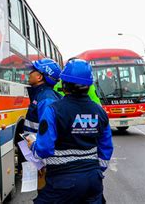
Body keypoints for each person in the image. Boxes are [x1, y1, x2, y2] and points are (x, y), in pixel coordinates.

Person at [31, 59, 113, 204]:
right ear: (88, 85)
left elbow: (44, 149)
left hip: (63, 181)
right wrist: (95, 170)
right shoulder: (99, 111)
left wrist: (32, 146)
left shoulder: (53, 110)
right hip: (94, 181)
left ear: (64, 84)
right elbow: (106, 148)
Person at [24, 58, 62, 134]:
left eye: (33, 70)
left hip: (37, 145)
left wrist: (34, 145)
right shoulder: (42, 95)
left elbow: (48, 134)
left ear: (39, 77)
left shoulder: (46, 99)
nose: (29, 73)